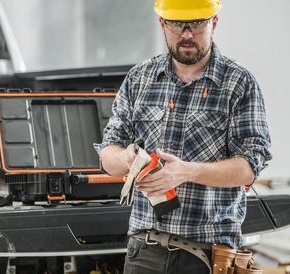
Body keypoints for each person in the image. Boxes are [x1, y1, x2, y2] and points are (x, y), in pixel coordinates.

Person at [99, 0, 272, 273]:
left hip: (207, 256)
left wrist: (185, 172)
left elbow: (249, 167)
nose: (187, 33)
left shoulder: (239, 83)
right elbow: (108, 155)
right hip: (144, 251)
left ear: (213, 23)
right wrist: (125, 157)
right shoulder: (139, 79)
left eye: (198, 23)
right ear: (162, 24)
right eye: (178, 24)